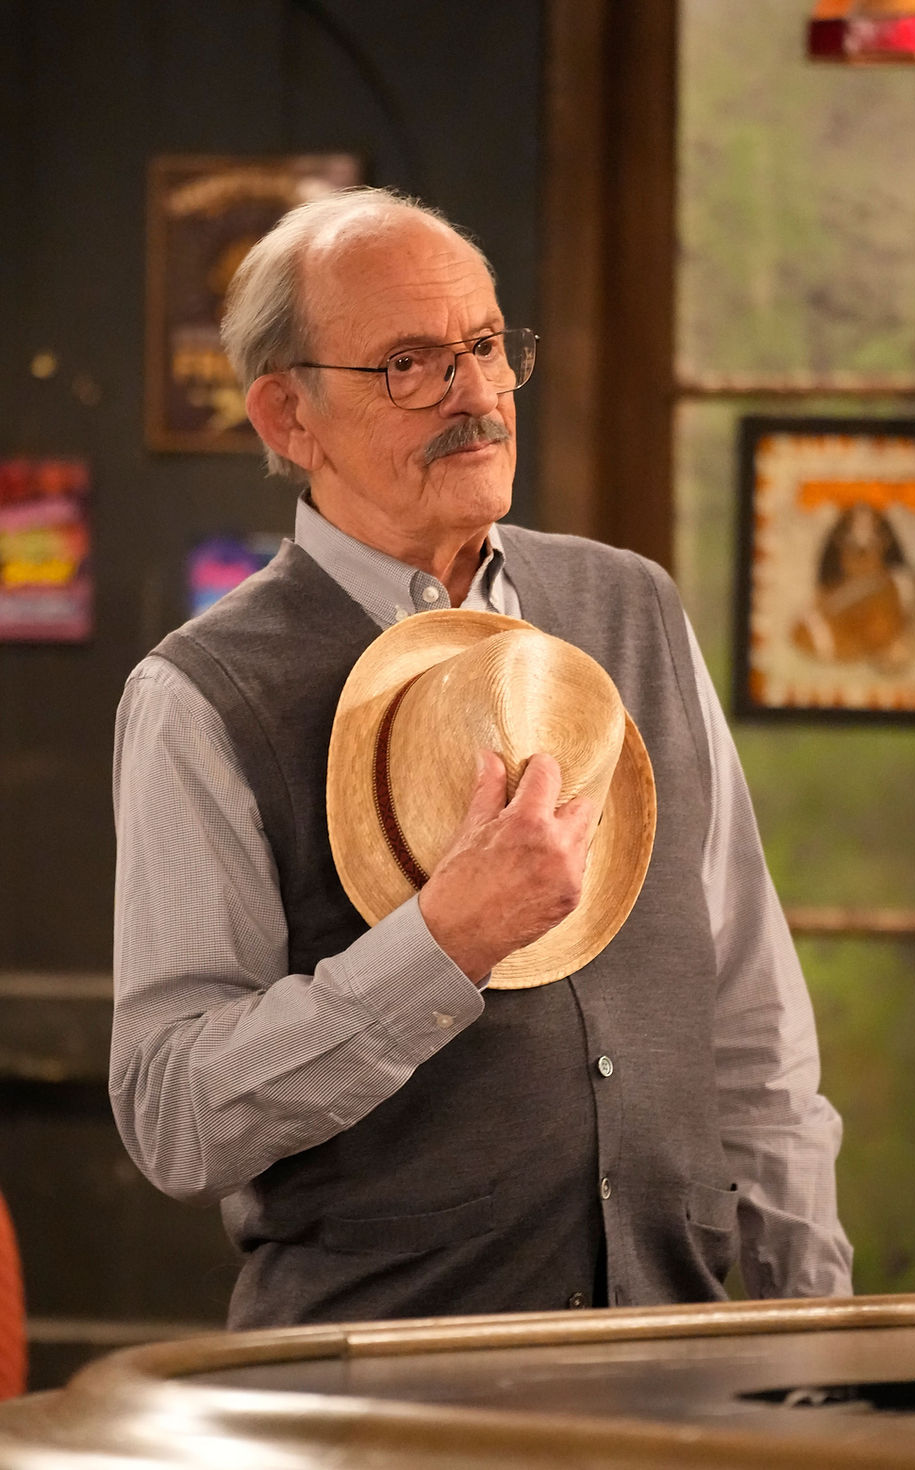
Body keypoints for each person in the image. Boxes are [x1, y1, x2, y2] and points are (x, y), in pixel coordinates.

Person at [111, 186, 853, 1329]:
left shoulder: (632, 609)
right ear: (285, 418)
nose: (474, 394)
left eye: (486, 345)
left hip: (671, 1375)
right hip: (379, 1400)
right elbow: (172, 1112)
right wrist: (441, 945)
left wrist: (817, 1328)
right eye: (409, 363)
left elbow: (752, 1023)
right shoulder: (201, 695)